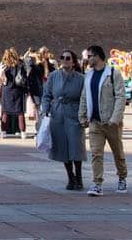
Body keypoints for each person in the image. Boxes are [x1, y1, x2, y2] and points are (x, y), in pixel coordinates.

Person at [77, 44, 128, 196]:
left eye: (90, 56)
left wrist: (116, 118)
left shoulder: (113, 73)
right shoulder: (89, 75)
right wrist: (82, 115)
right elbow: (84, 96)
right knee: (96, 153)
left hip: (111, 121)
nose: (88, 59)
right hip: (95, 121)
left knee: (117, 152)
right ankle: (97, 183)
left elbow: (120, 96)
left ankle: (122, 177)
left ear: (98, 56)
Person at [42, 49, 87, 191]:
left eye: (68, 58)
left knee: (76, 145)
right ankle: (70, 176)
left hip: (74, 112)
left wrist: (84, 114)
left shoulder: (81, 78)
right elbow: (47, 95)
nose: (65, 60)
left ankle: (79, 177)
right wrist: (45, 110)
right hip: (58, 113)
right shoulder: (54, 76)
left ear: (73, 61)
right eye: (63, 58)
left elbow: (85, 98)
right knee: (62, 146)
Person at [0, 48, 29, 138]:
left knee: (5, 112)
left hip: (7, 90)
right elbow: (24, 77)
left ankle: (3, 132)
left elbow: (0, 79)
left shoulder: (4, 65)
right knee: (20, 112)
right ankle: (23, 132)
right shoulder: (20, 65)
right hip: (18, 90)